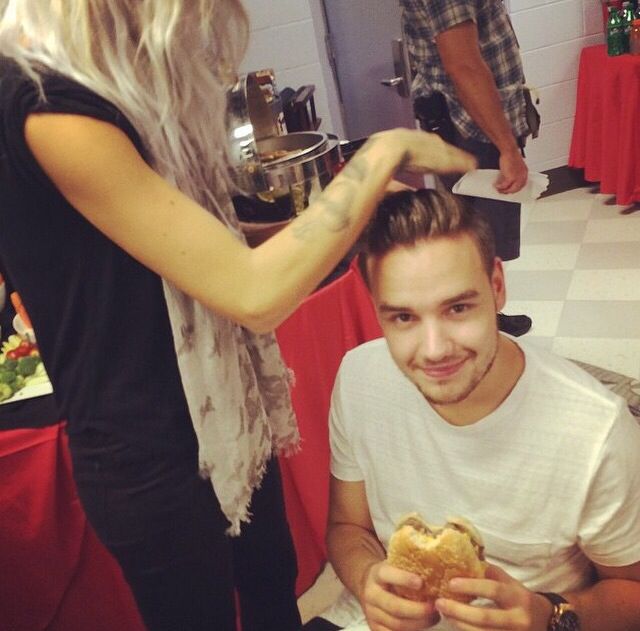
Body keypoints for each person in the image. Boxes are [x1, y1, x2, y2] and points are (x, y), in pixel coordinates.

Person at [0, 3, 477, 631]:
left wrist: (330, 221)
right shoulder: (46, 104)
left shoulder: (116, 88)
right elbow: (254, 295)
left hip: (228, 425)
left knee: (271, 597)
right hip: (151, 459)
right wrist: (380, 155)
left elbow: (197, 251)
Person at [304, 189, 640, 631]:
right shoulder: (359, 377)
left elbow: (632, 594)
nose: (435, 350)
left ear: (497, 287)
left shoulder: (596, 430)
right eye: (403, 317)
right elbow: (348, 526)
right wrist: (368, 579)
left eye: (458, 308)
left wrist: (551, 614)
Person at [401, 0, 533, 337]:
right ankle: (477, 335)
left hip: (472, 123)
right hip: (472, 128)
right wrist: (507, 147)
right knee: (477, 240)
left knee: (477, 240)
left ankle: (486, 323)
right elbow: (463, 65)